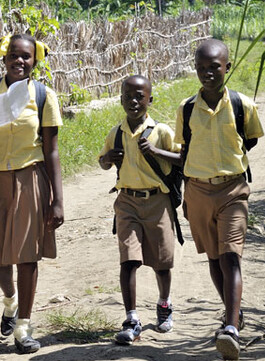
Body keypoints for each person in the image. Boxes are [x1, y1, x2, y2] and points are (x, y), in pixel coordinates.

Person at [0, 33, 64, 354]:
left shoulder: (43, 96)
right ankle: (10, 300)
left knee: (27, 255)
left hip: (30, 179)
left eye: (26, 56)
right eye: (13, 55)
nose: (19, 61)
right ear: (4, 58)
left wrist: (57, 200)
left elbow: (52, 151)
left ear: (35, 61)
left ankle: (24, 326)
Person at [175, 39, 264, 360]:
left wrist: (226, 166)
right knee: (213, 258)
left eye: (214, 67)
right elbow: (184, 151)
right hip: (197, 190)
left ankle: (230, 328)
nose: (208, 74)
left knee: (230, 256)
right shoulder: (186, 109)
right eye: (201, 68)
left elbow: (248, 140)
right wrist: (185, 194)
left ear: (228, 65)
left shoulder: (242, 105)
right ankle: (233, 312)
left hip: (233, 190)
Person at [98, 75, 182, 345]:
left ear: (150, 100)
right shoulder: (116, 133)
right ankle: (131, 318)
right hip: (127, 202)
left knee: (161, 262)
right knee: (129, 260)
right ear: (121, 98)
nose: (133, 101)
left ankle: (164, 304)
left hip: (158, 202)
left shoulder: (162, 131)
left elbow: (183, 158)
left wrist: (156, 151)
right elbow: (103, 161)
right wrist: (107, 159)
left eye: (139, 96)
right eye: (127, 96)